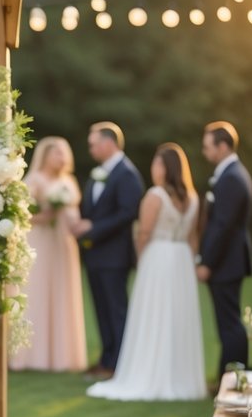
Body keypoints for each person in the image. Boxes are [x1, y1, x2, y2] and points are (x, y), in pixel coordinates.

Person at [87, 143, 206, 401]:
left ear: (163, 167)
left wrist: (142, 260)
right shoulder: (193, 198)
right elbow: (193, 237)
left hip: (158, 259)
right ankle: (179, 375)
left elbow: (143, 232)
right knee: (176, 316)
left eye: (156, 163)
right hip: (182, 259)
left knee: (154, 314)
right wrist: (193, 262)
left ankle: (150, 372)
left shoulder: (155, 195)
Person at [71, 121, 144, 377]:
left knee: (116, 310)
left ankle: (120, 364)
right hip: (95, 254)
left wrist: (92, 227)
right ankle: (106, 358)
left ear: (108, 143)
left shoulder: (126, 174)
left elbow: (128, 213)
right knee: (101, 310)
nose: (90, 149)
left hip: (115, 255)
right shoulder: (99, 172)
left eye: (93, 144)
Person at [10, 136, 87, 372]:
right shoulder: (34, 179)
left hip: (63, 244)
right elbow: (20, 214)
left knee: (62, 293)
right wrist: (46, 215)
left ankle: (63, 356)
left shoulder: (69, 181)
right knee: (38, 291)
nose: (62, 158)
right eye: (58, 153)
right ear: (46, 155)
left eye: (65, 153)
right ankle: (32, 355)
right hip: (40, 242)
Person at [197, 121, 252, 376]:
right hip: (228, 260)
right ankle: (228, 374)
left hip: (226, 262)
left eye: (207, 146)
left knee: (229, 323)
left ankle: (232, 377)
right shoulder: (230, 174)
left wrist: (207, 262)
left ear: (222, 146)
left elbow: (223, 227)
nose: (204, 152)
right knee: (227, 323)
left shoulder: (231, 177)